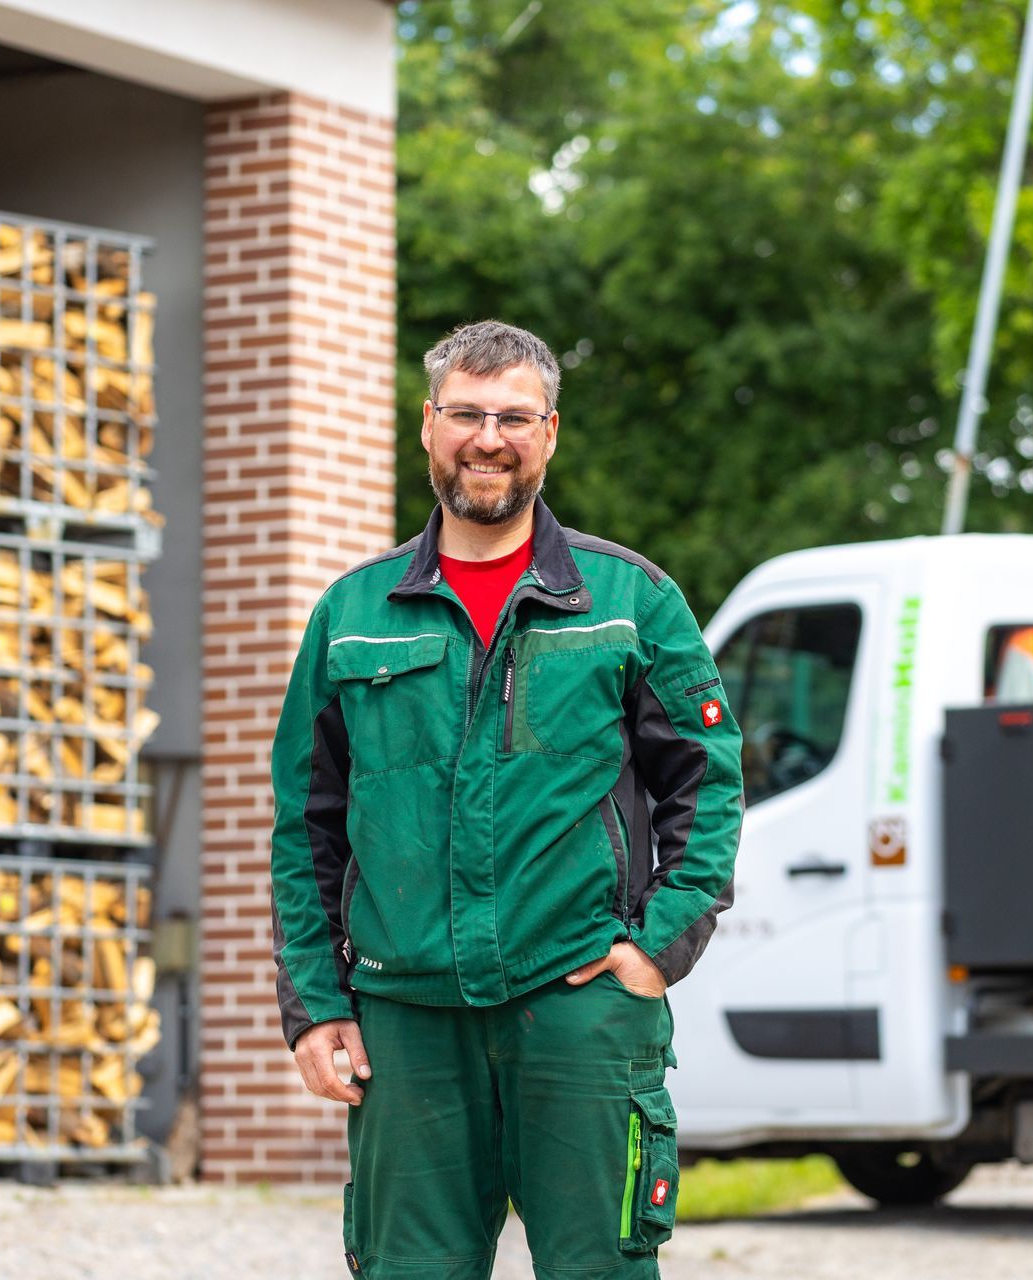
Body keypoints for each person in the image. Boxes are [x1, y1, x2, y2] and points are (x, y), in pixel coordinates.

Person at [269, 320, 743, 1278]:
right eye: (467, 414)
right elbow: (306, 826)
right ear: (429, 427)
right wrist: (316, 1004)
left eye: (514, 417)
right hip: (406, 1023)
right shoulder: (351, 617)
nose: (490, 438)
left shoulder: (629, 602)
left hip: (580, 1009)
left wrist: (659, 945)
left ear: (551, 432)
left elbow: (709, 781)